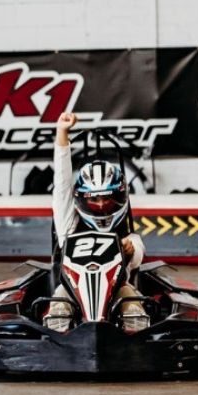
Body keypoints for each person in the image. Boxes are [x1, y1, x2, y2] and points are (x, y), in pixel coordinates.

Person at [45, 112, 149, 333]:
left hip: (117, 291)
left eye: (107, 198)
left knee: (132, 307)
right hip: (71, 291)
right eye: (94, 199)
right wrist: (62, 132)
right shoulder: (69, 227)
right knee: (59, 309)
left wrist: (128, 252)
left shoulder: (129, 237)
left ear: (120, 197)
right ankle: (60, 343)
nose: (101, 205)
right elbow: (62, 183)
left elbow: (138, 254)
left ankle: (132, 345)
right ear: (82, 198)